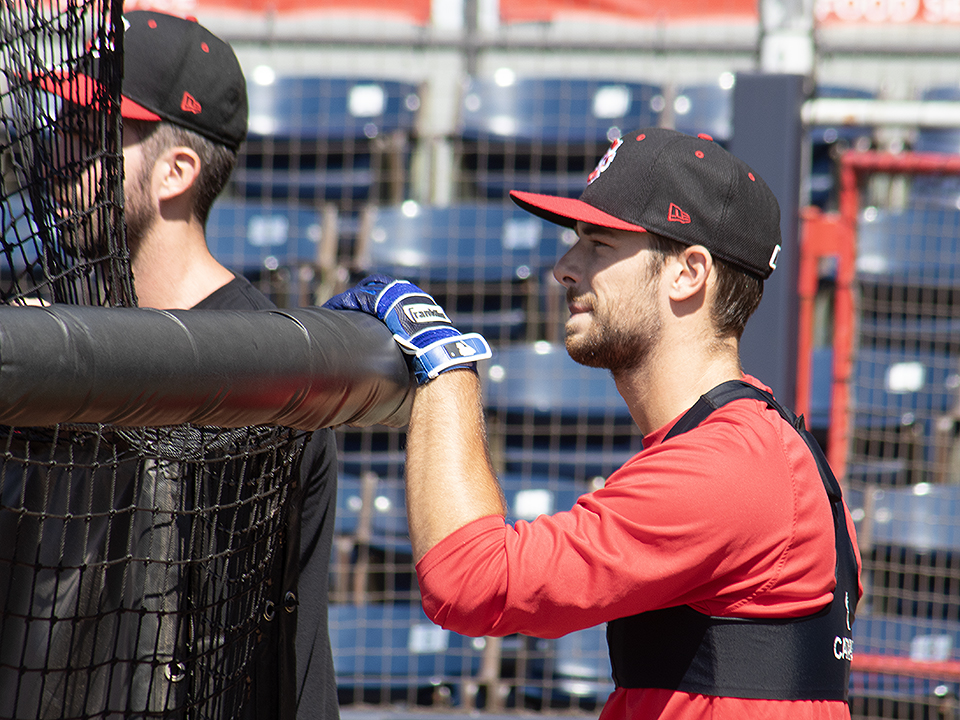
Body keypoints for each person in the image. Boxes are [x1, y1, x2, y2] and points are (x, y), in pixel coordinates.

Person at [325, 128, 863, 719]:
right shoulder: (752, 445)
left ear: (688, 272)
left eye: (599, 244)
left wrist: (444, 365)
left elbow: (468, 580)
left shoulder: (729, 466)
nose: (564, 268)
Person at [23, 11, 339, 719]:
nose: (56, 153)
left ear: (176, 171)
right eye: (64, 124)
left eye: (90, 133)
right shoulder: (53, 333)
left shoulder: (268, 373)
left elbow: (284, 648)